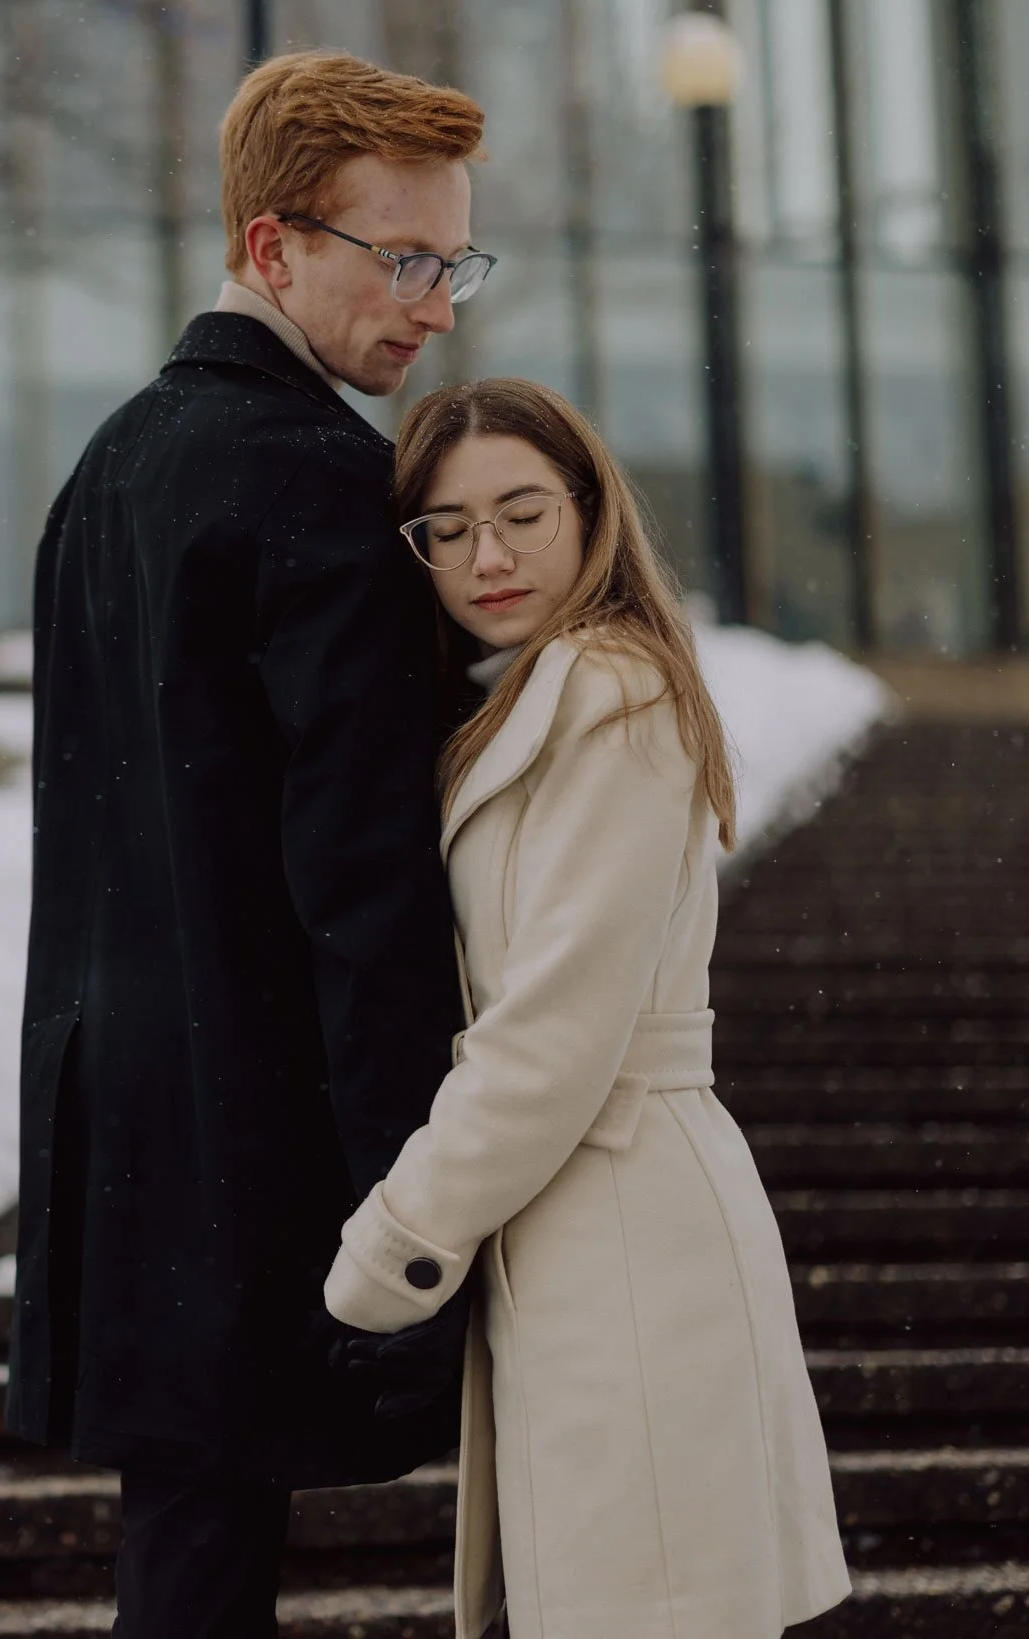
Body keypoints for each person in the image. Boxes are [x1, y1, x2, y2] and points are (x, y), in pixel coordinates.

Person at [5, 50, 494, 1639]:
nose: (435, 307)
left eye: (454, 262)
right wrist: (413, 1183)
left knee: (188, 1551)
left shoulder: (109, 469)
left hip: (124, 1114)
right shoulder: (321, 484)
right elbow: (363, 888)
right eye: (402, 260)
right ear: (273, 248)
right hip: (263, 1125)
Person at [322, 378, 853, 1639]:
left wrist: (390, 1243)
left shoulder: (610, 696)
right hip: (577, 1220)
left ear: (589, 509)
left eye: (520, 513)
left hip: (626, 1224)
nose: (486, 555)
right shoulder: (525, 693)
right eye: (445, 529)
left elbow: (554, 1028)